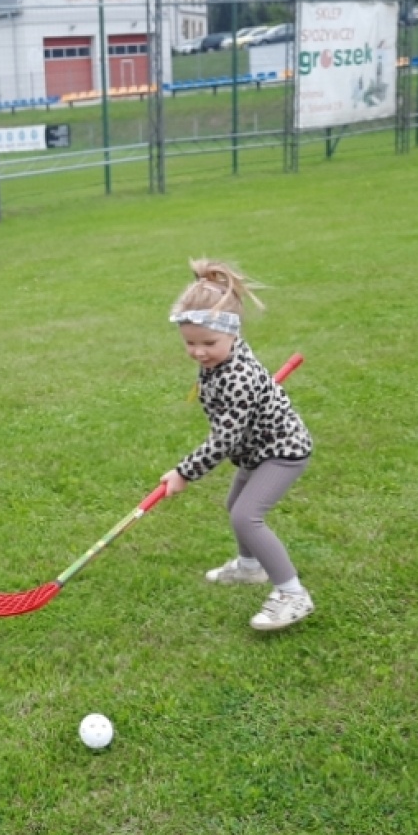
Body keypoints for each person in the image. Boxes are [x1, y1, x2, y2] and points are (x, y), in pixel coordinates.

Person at [160, 260, 314, 631]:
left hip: (281, 451)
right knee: (235, 506)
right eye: (190, 343)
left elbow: (224, 439)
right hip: (255, 449)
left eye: (208, 343)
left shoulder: (238, 377)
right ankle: (249, 567)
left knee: (246, 516)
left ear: (233, 333)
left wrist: (184, 473)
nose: (199, 352)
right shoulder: (222, 358)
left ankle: (293, 594)